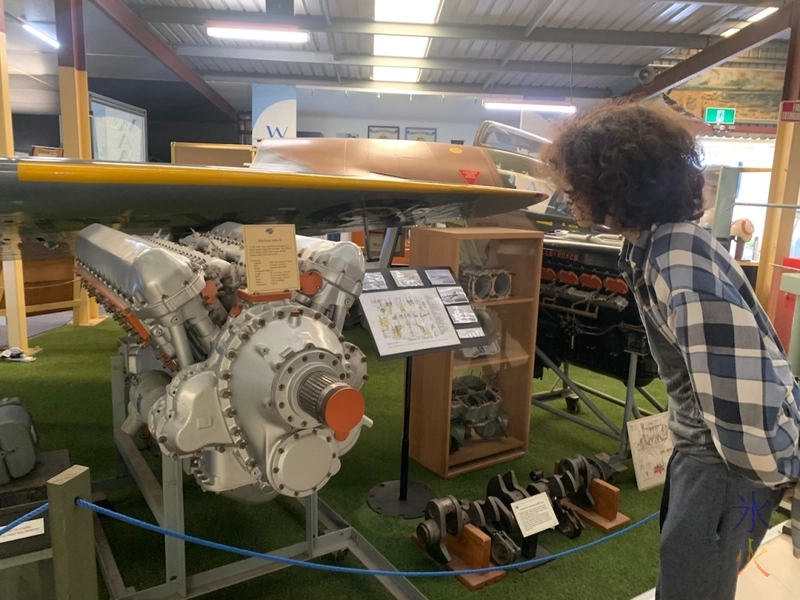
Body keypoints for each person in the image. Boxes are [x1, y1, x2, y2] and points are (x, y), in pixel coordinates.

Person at [542, 101, 800, 599]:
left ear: (613, 184)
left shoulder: (677, 261)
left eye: (576, 183)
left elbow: (738, 389)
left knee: (694, 583)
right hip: (712, 458)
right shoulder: (655, 246)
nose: (568, 195)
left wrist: (777, 475)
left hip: (730, 469)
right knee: (699, 569)